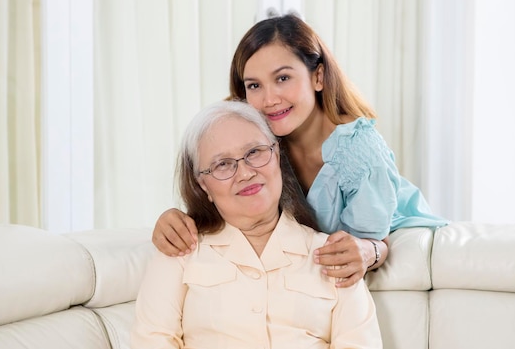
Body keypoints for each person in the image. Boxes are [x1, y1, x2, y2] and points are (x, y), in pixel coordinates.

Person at [152, 13, 448, 287]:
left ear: (318, 77)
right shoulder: (254, 141)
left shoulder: (360, 153)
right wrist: (176, 218)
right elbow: (219, 195)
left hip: (392, 227)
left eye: (282, 78)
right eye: (254, 86)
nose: (269, 99)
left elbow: (373, 241)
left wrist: (370, 250)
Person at [131, 100, 383, 349]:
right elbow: (152, 340)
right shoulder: (180, 251)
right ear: (203, 185)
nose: (245, 173)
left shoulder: (334, 254)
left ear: (277, 156)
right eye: (222, 164)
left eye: (254, 152)